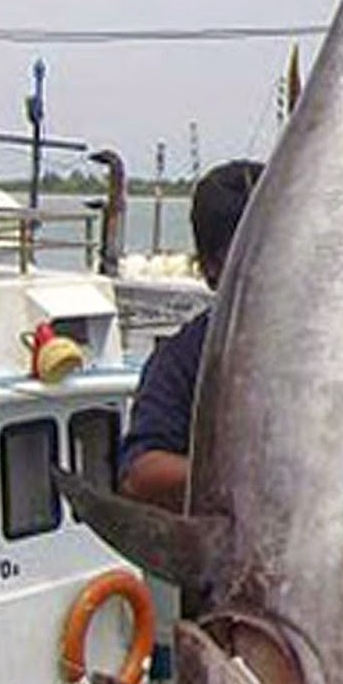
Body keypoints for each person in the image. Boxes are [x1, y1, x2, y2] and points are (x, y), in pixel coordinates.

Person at [119, 159, 263, 512]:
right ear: (211, 266)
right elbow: (141, 474)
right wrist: (247, 478)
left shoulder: (339, 339)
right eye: (253, 250)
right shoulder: (185, 357)